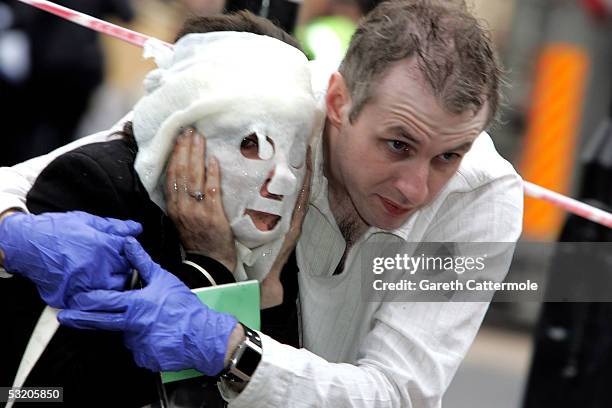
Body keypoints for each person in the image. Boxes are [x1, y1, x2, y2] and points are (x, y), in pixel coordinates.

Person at [0, 1, 524, 406]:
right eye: (398, 145)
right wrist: (12, 231)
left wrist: (232, 348)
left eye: (448, 156)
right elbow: (67, 169)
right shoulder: (270, 100)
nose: (417, 188)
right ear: (337, 102)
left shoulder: (482, 201)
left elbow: (397, 395)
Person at [0, 11, 320, 407]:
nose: (283, 180)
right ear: (182, 133)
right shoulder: (100, 188)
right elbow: (36, 394)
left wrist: (269, 295)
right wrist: (208, 270)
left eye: (293, 152)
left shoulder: (282, 239)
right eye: (251, 142)